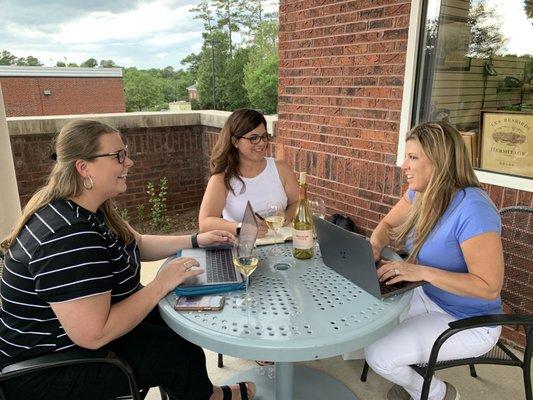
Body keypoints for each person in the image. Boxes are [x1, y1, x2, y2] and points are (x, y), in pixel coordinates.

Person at [0, 119, 255, 400]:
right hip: (51, 369)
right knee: (175, 352)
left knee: (183, 325)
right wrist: (161, 284)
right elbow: (94, 334)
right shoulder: (68, 235)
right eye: (118, 156)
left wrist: (195, 240)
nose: (129, 162)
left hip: (81, 338)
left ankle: (199, 393)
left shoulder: (89, 209)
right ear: (83, 167)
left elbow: (138, 243)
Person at [364, 122, 503, 400]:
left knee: (378, 355)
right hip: (428, 296)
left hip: (469, 320)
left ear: (440, 162)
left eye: (413, 157)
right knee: (364, 320)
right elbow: (388, 225)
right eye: (406, 156)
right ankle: (418, 380)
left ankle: (438, 394)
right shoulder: (422, 193)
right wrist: (374, 245)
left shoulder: (473, 209)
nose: (404, 165)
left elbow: (489, 287)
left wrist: (421, 272)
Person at [199, 108, 298, 237]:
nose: (261, 143)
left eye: (264, 136)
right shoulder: (221, 179)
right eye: (253, 138)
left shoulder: (281, 168)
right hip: (243, 250)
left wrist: (285, 217)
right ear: (235, 141)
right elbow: (205, 223)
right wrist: (242, 227)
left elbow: (298, 202)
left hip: (281, 244)